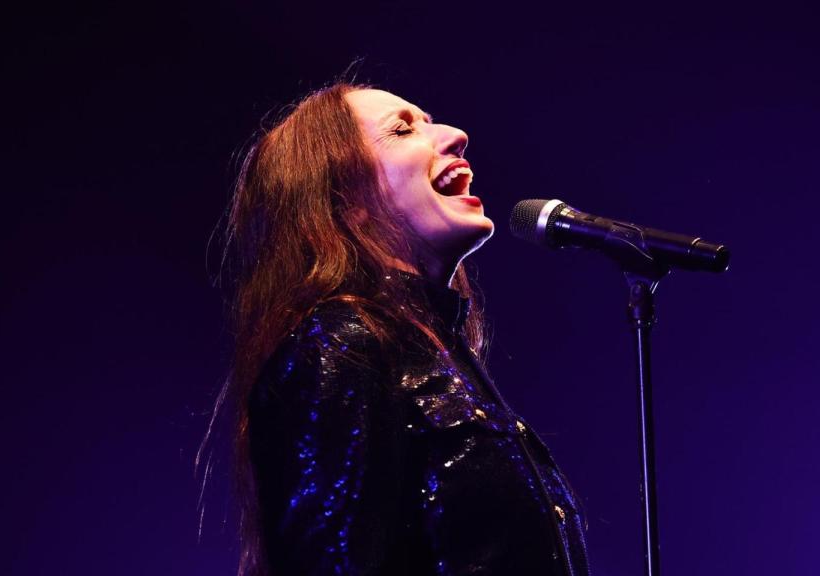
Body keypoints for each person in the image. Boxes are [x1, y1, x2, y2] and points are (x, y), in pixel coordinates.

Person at [217, 81, 590, 576]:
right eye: (401, 129)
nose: (455, 135)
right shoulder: (339, 346)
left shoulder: (442, 353)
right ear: (344, 199)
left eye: (430, 121)